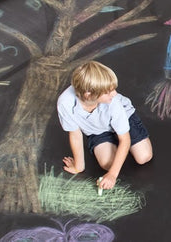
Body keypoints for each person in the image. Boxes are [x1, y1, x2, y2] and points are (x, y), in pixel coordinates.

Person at [57, 61, 153, 191]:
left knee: (143, 157)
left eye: (113, 89)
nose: (114, 94)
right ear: (89, 94)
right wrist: (78, 167)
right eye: (108, 92)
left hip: (125, 119)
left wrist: (113, 175)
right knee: (108, 164)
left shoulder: (114, 102)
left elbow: (125, 139)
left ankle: (122, 145)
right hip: (98, 130)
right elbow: (75, 134)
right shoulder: (65, 103)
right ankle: (112, 144)